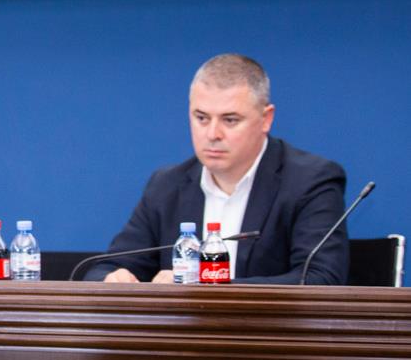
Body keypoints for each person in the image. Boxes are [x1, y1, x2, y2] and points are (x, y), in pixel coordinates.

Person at [86, 54, 349, 285]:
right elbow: (103, 269)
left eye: (230, 120)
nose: (212, 134)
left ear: (266, 119)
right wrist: (113, 279)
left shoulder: (310, 181)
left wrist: (204, 285)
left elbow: (319, 278)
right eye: (201, 118)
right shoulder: (166, 186)